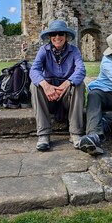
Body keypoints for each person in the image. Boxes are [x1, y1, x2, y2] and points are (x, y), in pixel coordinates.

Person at [30, 20, 86, 151]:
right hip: (49, 96)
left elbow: (81, 70)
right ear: (49, 37)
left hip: (66, 96)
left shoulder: (74, 51)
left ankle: (75, 132)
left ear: (66, 36)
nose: (57, 37)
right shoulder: (43, 50)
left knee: (79, 85)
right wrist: (45, 85)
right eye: (53, 34)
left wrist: (67, 83)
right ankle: (43, 134)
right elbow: (34, 70)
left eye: (61, 34)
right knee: (35, 86)